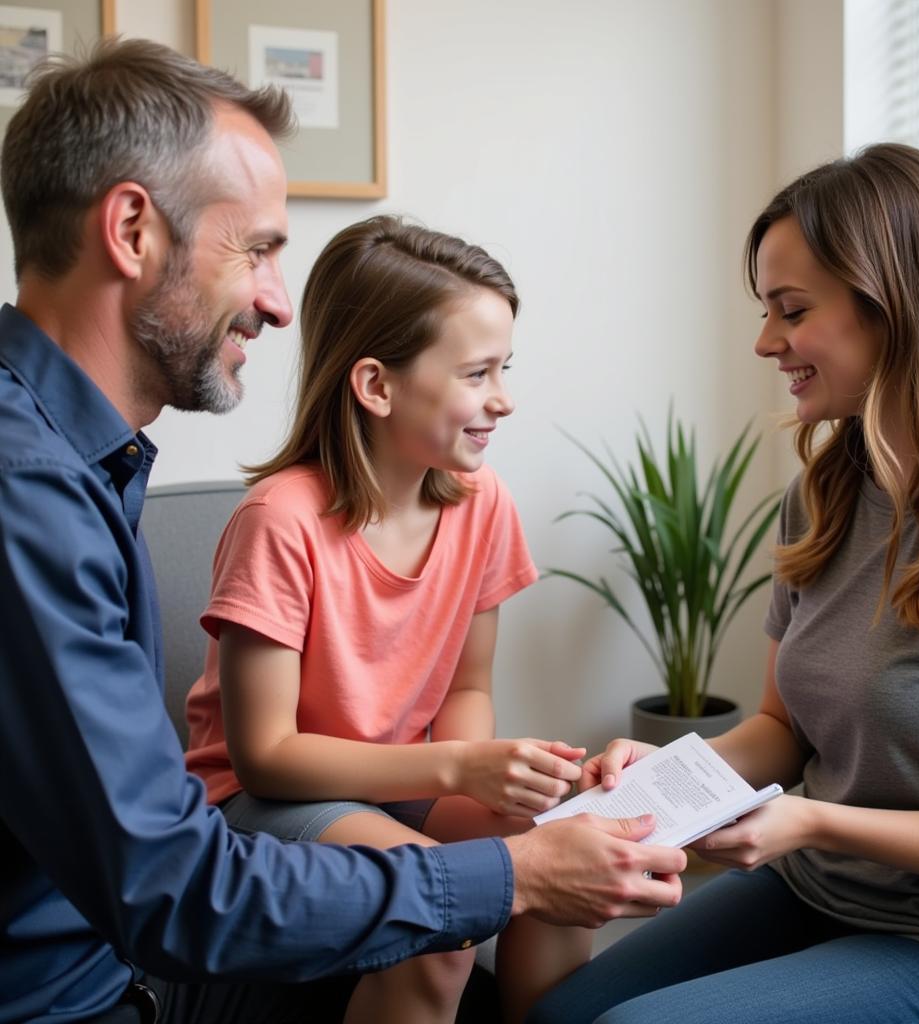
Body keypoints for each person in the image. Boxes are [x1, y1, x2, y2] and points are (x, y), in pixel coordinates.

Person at [0, 38, 687, 1024]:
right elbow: (173, 878)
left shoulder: (78, 464)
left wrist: (509, 794)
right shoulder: (31, 489)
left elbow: (464, 688)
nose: (280, 302)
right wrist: (501, 869)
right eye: (259, 249)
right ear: (132, 230)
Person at [527, 143, 919, 1024]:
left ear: (894, 308)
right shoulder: (825, 496)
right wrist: (670, 772)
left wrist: (814, 822)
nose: (765, 342)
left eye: (790, 310)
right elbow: (780, 731)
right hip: (822, 887)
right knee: (557, 1014)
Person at [184, 215, 593, 1024]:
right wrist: (456, 769)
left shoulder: (482, 503)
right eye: (477, 373)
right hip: (259, 803)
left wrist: (493, 764)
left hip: (399, 782)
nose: (503, 400)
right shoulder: (281, 522)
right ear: (376, 386)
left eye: (503, 368)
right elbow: (265, 758)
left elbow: (467, 687)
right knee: (439, 925)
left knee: (567, 849)